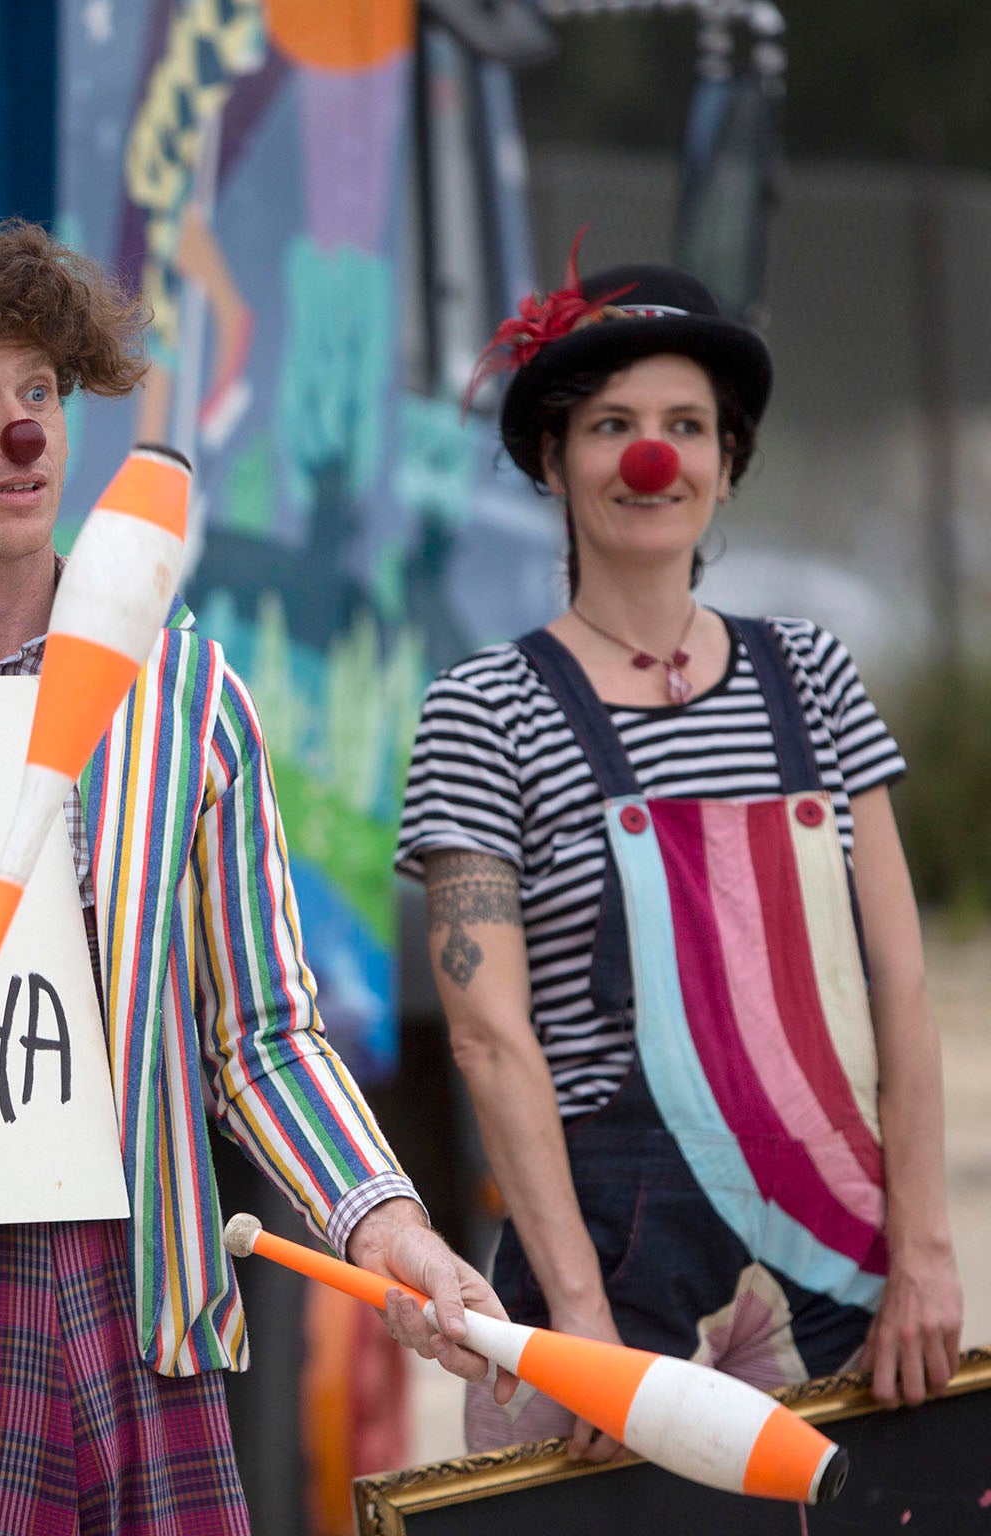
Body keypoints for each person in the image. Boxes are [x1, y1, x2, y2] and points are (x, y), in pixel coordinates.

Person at [0, 220, 509, 1535]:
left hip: (144, 1317)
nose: (26, 436)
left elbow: (261, 1031)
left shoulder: (189, 697)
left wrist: (384, 1222)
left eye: (42, 395)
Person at [398, 251, 962, 1457]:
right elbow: (490, 1036)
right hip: (605, 1249)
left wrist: (921, 1248)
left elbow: (897, 989)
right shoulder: (480, 709)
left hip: (836, 1252)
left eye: (682, 427)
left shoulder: (808, 674)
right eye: (610, 425)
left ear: (723, 464)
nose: (649, 459)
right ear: (551, 460)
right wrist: (584, 1326)